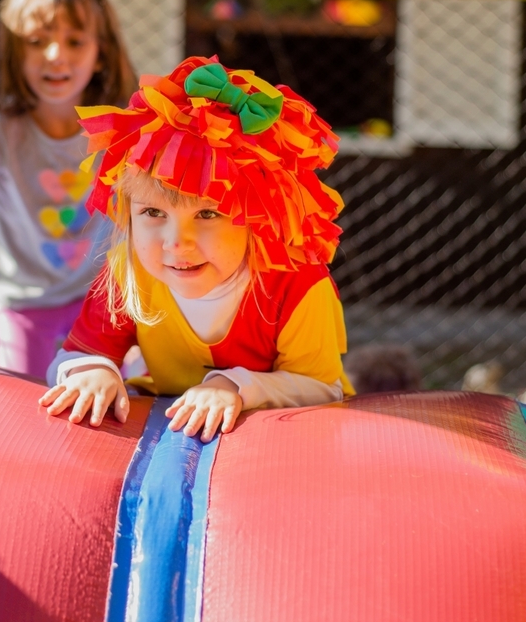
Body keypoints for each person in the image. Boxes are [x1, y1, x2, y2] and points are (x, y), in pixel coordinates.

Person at [39, 56, 354, 442]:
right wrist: (93, 371)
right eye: (154, 212)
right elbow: (72, 356)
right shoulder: (130, 270)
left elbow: (322, 387)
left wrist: (232, 387)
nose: (176, 242)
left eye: (208, 214)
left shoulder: (297, 283)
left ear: (257, 214)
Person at [0, 0, 136, 378]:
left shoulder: (115, 127)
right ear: (15, 51)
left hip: (98, 297)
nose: (55, 55)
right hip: (23, 300)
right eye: (36, 41)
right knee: (23, 398)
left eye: (74, 41)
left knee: (115, 388)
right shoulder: (4, 128)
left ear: (100, 53)